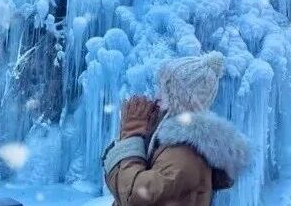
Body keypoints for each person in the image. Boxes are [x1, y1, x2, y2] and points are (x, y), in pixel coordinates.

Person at [102, 52, 250, 206]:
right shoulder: (177, 145)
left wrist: (132, 135)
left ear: (180, 99)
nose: (157, 96)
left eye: (164, 90)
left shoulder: (183, 153)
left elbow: (134, 196)